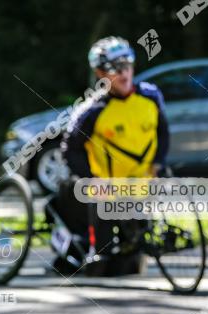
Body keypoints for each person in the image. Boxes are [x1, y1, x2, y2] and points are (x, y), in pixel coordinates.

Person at [55, 36, 170, 275]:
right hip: (105, 187)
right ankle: (95, 250)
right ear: (100, 73)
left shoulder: (151, 97)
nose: (124, 73)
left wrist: (158, 164)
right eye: (115, 69)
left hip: (140, 183)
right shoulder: (91, 111)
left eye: (127, 65)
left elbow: (163, 132)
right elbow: (70, 150)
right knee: (101, 266)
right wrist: (92, 178)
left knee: (131, 264)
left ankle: (131, 246)